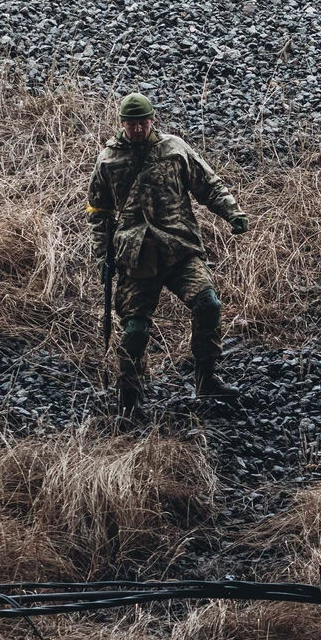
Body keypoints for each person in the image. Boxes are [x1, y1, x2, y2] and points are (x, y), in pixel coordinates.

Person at [86, 92, 249, 415]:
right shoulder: (108, 160)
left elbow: (208, 185)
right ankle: (129, 402)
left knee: (208, 305)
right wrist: (102, 255)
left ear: (152, 121)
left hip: (180, 249)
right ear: (122, 124)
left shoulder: (174, 150)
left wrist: (232, 212)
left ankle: (206, 381)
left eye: (143, 123)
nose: (137, 130)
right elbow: (99, 212)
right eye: (131, 124)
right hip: (136, 257)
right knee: (134, 333)